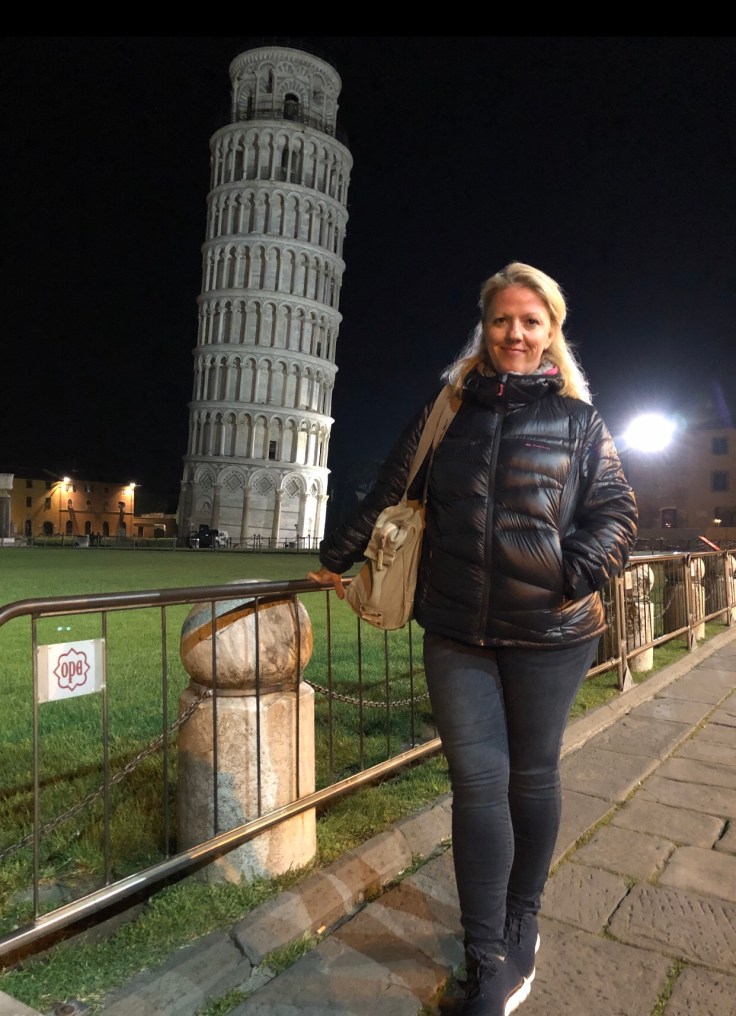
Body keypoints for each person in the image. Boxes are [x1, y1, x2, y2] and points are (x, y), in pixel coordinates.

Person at [307, 262, 637, 1015]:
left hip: (552, 632)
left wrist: (567, 575)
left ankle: (525, 917)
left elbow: (618, 514)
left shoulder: (579, 422)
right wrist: (335, 557)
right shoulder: (446, 408)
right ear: (484, 329)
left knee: (533, 776)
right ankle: (487, 955)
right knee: (477, 785)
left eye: (530, 322)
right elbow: (392, 487)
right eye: (501, 320)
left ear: (551, 333)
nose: (515, 333)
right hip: (456, 629)